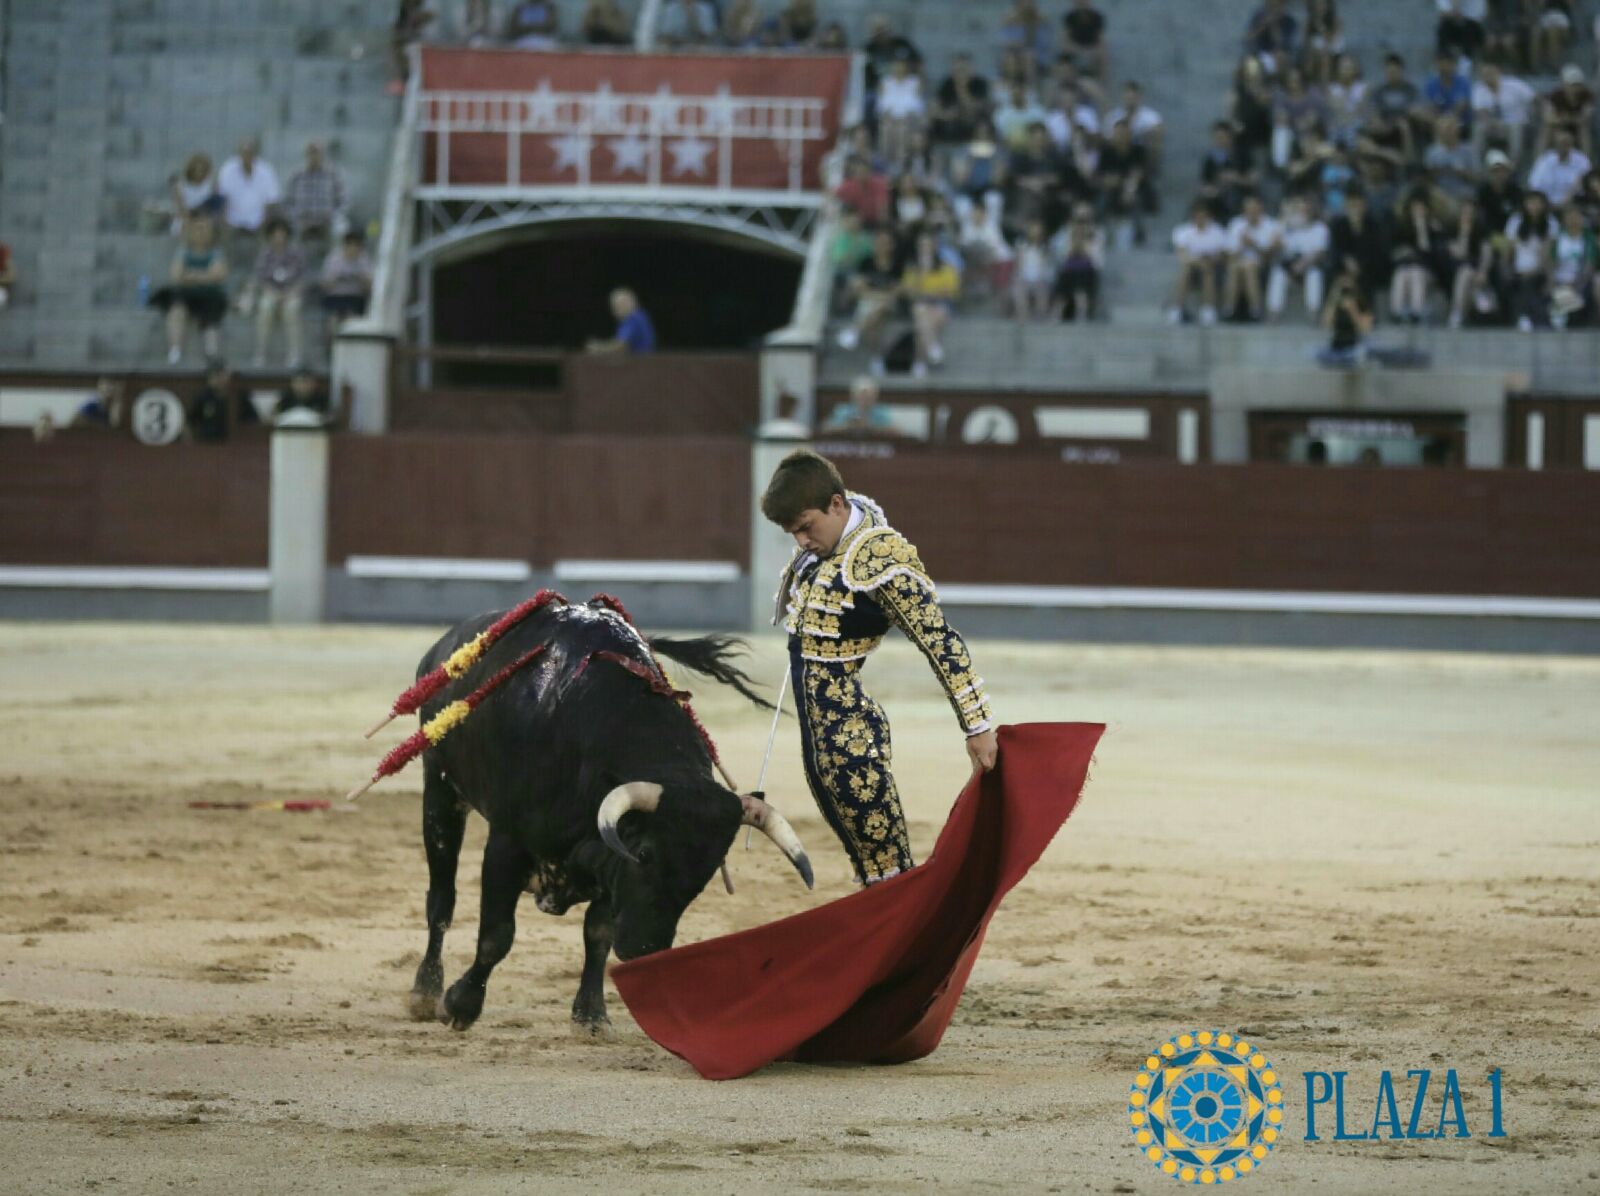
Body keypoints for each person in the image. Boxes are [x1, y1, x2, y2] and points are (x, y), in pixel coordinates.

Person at [760, 449, 997, 886]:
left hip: (852, 741)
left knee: (887, 868)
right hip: (823, 742)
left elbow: (938, 640)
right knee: (872, 867)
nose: (802, 542)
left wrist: (977, 726)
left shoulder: (882, 559)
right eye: (793, 533)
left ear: (836, 504)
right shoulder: (831, 545)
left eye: (806, 528)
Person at [151, 215, 228, 364]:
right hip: (185, 294)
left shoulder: (216, 252)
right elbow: (176, 275)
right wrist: (204, 275)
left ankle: (211, 351)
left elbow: (219, 274)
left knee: (211, 314)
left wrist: (191, 275)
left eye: (205, 229)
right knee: (176, 311)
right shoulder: (183, 251)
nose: (201, 232)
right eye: (198, 228)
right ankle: (175, 349)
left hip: (210, 295)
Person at [214, 137, 282, 268]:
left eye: (250, 152)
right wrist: (225, 221)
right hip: (232, 220)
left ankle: (262, 270)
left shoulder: (266, 171)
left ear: (255, 153)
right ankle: (227, 268)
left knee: (271, 232)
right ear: (239, 153)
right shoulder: (227, 169)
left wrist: (265, 222)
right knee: (221, 231)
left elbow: (272, 201)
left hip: (259, 220)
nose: (247, 156)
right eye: (244, 152)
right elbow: (222, 199)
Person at [249, 217, 306, 367]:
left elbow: (301, 279)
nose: (279, 237)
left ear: (287, 235)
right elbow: (260, 279)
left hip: (292, 292)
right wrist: (274, 293)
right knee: (265, 308)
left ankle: (294, 353)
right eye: (275, 234)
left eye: (282, 233)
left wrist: (290, 293)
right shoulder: (265, 254)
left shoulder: (296, 253)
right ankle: (260, 352)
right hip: (271, 292)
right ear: (270, 236)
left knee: (292, 310)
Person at [1267, 195, 1330, 320]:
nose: (1303, 212)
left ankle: (1314, 312)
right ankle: (1274, 312)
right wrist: (1285, 218)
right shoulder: (1288, 227)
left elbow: (1320, 252)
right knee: (1278, 272)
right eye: (1300, 209)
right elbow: (1274, 244)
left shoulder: (1320, 228)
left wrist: (1302, 264)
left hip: (1310, 265)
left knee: (1314, 275)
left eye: (1306, 209)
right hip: (1289, 265)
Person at [1169, 200, 1230, 324]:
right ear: (1192, 217)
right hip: (1192, 268)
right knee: (1186, 269)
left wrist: (1211, 260)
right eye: (1197, 216)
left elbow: (1224, 255)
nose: (1200, 219)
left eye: (1203, 216)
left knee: (1208, 271)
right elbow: (1182, 255)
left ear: (1208, 217)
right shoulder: (1183, 231)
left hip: (1214, 269)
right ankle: (1177, 308)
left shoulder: (1218, 232)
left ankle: (1208, 309)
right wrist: (1199, 262)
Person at [1390, 192, 1445, 323]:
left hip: (1428, 272)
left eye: (1421, 208)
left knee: (1416, 273)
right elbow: (1395, 253)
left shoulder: (1434, 228)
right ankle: (1397, 313)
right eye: (1415, 208)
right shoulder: (1403, 228)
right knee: (1401, 274)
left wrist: (1421, 228)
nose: (1418, 212)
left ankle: (1417, 313)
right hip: (1406, 268)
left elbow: (1428, 252)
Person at [1225, 193, 1280, 321]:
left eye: (1254, 209)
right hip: (1238, 262)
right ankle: (1230, 309)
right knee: (1236, 267)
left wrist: (1253, 244)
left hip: (1262, 263)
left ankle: (1255, 310)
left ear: (1261, 209)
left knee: (1248, 266)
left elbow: (1269, 255)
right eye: (1248, 210)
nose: (1251, 212)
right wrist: (1242, 245)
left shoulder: (1271, 225)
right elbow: (1229, 255)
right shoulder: (1235, 224)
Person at [283, 141, 348, 245]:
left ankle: (335, 260)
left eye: (317, 152)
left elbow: (343, 202)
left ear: (323, 155)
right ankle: (295, 259)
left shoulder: (333, 175)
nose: (314, 156)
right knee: (287, 230)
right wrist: (297, 217)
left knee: (340, 229)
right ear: (306, 155)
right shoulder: (297, 176)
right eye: (312, 152)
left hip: (327, 221)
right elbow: (287, 202)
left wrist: (332, 217)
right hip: (302, 221)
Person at [1471, 61, 1536, 163]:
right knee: (1478, 128)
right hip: (1494, 125)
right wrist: (1491, 123)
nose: (1487, 77)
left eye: (1489, 73)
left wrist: (1533, 114)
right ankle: (1477, 168)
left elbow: (1533, 99)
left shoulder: (1514, 84)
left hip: (1518, 124)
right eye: (1484, 74)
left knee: (1515, 128)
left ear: (1497, 72)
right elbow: (1481, 112)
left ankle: (1513, 166)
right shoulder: (1479, 89)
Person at [1051, 203, 1103, 321]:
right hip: (1068, 268)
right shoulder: (1066, 231)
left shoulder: (1095, 232)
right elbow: (1060, 251)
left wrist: (1085, 243)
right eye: (1079, 217)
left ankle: (1082, 316)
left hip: (1086, 269)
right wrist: (1072, 243)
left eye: (1084, 218)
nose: (1081, 221)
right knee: (1061, 294)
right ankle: (1055, 316)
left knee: (1081, 293)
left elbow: (1096, 256)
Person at [930, 53, 992, 145]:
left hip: (973, 124)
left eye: (963, 69)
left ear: (971, 69)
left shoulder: (980, 83)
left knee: (982, 125)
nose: (960, 73)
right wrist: (947, 115)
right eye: (957, 69)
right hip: (950, 124)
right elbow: (933, 109)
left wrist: (961, 87)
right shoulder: (947, 83)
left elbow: (977, 108)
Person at [1528, 127, 1592, 206]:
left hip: (1575, 204)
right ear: (1555, 144)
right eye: (1560, 143)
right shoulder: (1545, 160)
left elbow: (1588, 187)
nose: (1563, 146)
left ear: (1572, 143)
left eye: (1566, 143)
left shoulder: (1582, 161)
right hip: (1547, 205)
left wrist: (1570, 196)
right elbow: (1535, 185)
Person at [1318, 273, 1373, 365]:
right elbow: (1326, 324)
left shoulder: (1363, 305)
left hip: (1355, 345)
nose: (1347, 293)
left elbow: (1365, 330)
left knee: (1361, 353)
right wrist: (1334, 297)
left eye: (1349, 290)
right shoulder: (1335, 304)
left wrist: (1353, 310)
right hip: (1337, 345)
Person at [587, 287, 656, 354]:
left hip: (639, 363)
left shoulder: (633, 318)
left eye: (620, 304)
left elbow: (621, 346)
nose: (615, 310)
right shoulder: (641, 316)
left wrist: (599, 348)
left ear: (632, 302)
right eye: (614, 306)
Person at [823, 376, 898, 433]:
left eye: (868, 396)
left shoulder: (881, 411)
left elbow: (896, 431)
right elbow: (825, 429)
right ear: (853, 396)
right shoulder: (843, 410)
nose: (865, 399)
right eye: (861, 395)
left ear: (875, 397)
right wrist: (848, 426)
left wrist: (870, 427)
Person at [187, 360, 235, 443]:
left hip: (233, 447)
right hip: (207, 446)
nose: (219, 379)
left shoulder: (235, 397)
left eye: (222, 374)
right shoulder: (203, 397)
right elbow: (189, 422)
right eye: (216, 375)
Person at [1061, 0, 1108, 82]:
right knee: (1066, 51)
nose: (1081, 3)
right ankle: (1071, 82)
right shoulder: (1070, 17)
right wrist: (1076, 50)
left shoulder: (1096, 17)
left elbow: (1101, 38)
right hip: (1075, 48)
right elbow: (1066, 37)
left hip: (1092, 49)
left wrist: (1092, 51)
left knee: (1103, 55)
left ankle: (1102, 83)